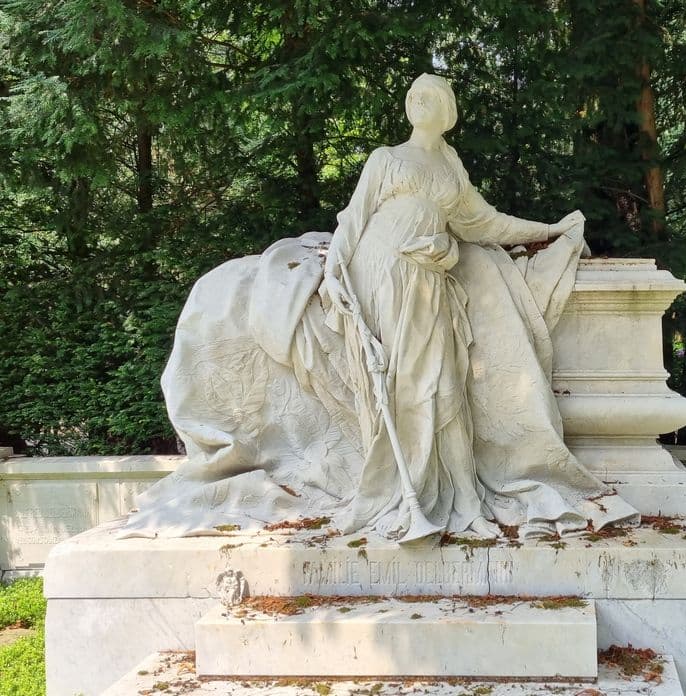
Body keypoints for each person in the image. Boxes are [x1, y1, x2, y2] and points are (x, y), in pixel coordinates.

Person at [120, 74, 638, 542]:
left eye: (428, 96)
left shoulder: (450, 165)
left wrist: (548, 231)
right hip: (382, 274)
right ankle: (406, 495)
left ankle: (464, 501)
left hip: (429, 279)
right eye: (412, 94)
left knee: (447, 387)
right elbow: (353, 220)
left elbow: (485, 224)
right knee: (409, 386)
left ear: (446, 110)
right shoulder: (386, 159)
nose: (416, 101)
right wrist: (338, 279)